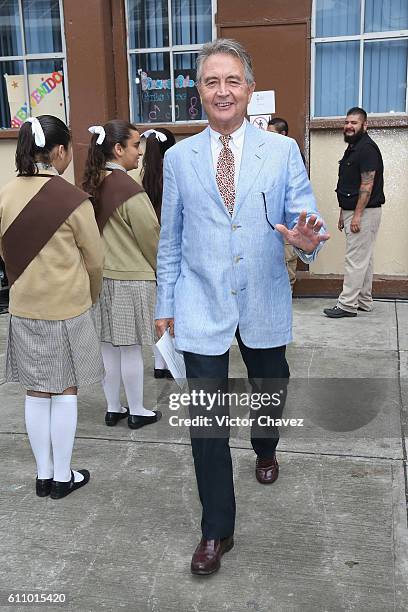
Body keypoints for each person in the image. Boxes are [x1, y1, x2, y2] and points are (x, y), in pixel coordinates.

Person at [155, 39, 329, 575]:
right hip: (200, 301)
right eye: (212, 82)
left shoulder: (280, 152)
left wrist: (306, 240)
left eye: (232, 81)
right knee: (205, 422)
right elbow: (171, 238)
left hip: (263, 296)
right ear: (200, 94)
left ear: (249, 90)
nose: (223, 91)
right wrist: (165, 305)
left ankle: (266, 444)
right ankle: (216, 531)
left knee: (269, 385)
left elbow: (307, 220)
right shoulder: (179, 158)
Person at [0, 115, 104, 499]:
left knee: (35, 391)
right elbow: (94, 258)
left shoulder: (5, 193)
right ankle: (63, 476)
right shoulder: (73, 199)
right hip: (67, 308)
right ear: (59, 151)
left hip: (25, 307)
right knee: (65, 391)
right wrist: (89, 295)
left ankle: (43, 474)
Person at [82, 120, 161, 429]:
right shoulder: (129, 188)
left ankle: (114, 407)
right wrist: (162, 269)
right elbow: (150, 235)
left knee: (107, 347)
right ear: (117, 149)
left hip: (100, 278)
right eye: (135, 145)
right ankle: (138, 410)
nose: (139, 152)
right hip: (131, 278)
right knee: (129, 348)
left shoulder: (90, 183)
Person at [324, 107, 384, 318]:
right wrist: (344, 212)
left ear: (364, 125)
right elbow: (349, 184)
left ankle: (347, 304)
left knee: (355, 259)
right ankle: (364, 301)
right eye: (347, 122)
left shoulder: (366, 148)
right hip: (356, 211)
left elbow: (367, 185)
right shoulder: (354, 147)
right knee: (363, 259)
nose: (349, 126)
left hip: (364, 212)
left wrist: (357, 215)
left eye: (354, 123)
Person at [141, 127, 176, 379]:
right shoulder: (174, 172)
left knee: (158, 308)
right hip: (172, 246)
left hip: (149, 247)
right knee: (173, 305)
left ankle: (159, 364)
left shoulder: (141, 176)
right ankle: (172, 360)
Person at [267, 117, 299, 291]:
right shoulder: (266, 154)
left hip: (287, 217)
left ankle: (288, 290)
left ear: (283, 134)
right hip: (271, 217)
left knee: (288, 255)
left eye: (271, 133)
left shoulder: (292, 155)